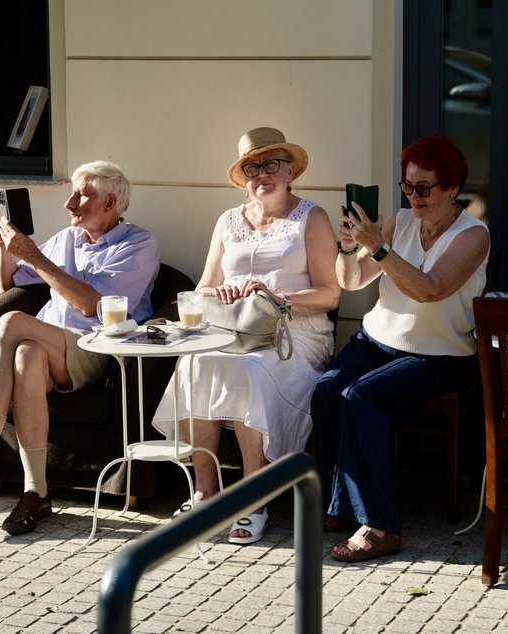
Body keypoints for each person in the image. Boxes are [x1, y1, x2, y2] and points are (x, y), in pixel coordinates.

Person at [0, 161, 160, 535]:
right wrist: (8, 249)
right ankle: (36, 492)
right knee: (25, 354)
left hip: (96, 347)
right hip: (49, 345)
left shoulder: (139, 244)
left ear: (110, 202)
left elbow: (92, 306)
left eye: (81, 195)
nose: (69, 204)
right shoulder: (67, 238)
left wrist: (33, 254)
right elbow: (11, 287)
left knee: (11, 322)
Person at [151, 127, 340, 544]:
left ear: (290, 170)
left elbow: (330, 294)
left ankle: (254, 500)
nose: (263, 174)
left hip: (296, 335)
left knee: (250, 371)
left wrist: (275, 295)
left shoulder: (312, 217)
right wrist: (220, 290)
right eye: (252, 167)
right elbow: (202, 287)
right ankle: (205, 492)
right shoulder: (228, 221)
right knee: (197, 361)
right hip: (233, 330)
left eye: (272, 164)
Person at [311, 134, 490, 563]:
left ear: (451, 188)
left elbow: (431, 289)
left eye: (424, 188)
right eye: (407, 186)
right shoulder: (400, 220)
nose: (414, 196)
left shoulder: (473, 235)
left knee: (361, 398)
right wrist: (348, 246)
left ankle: (381, 526)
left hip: (439, 354)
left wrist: (378, 246)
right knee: (327, 391)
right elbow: (353, 281)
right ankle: (338, 505)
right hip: (378, 339)